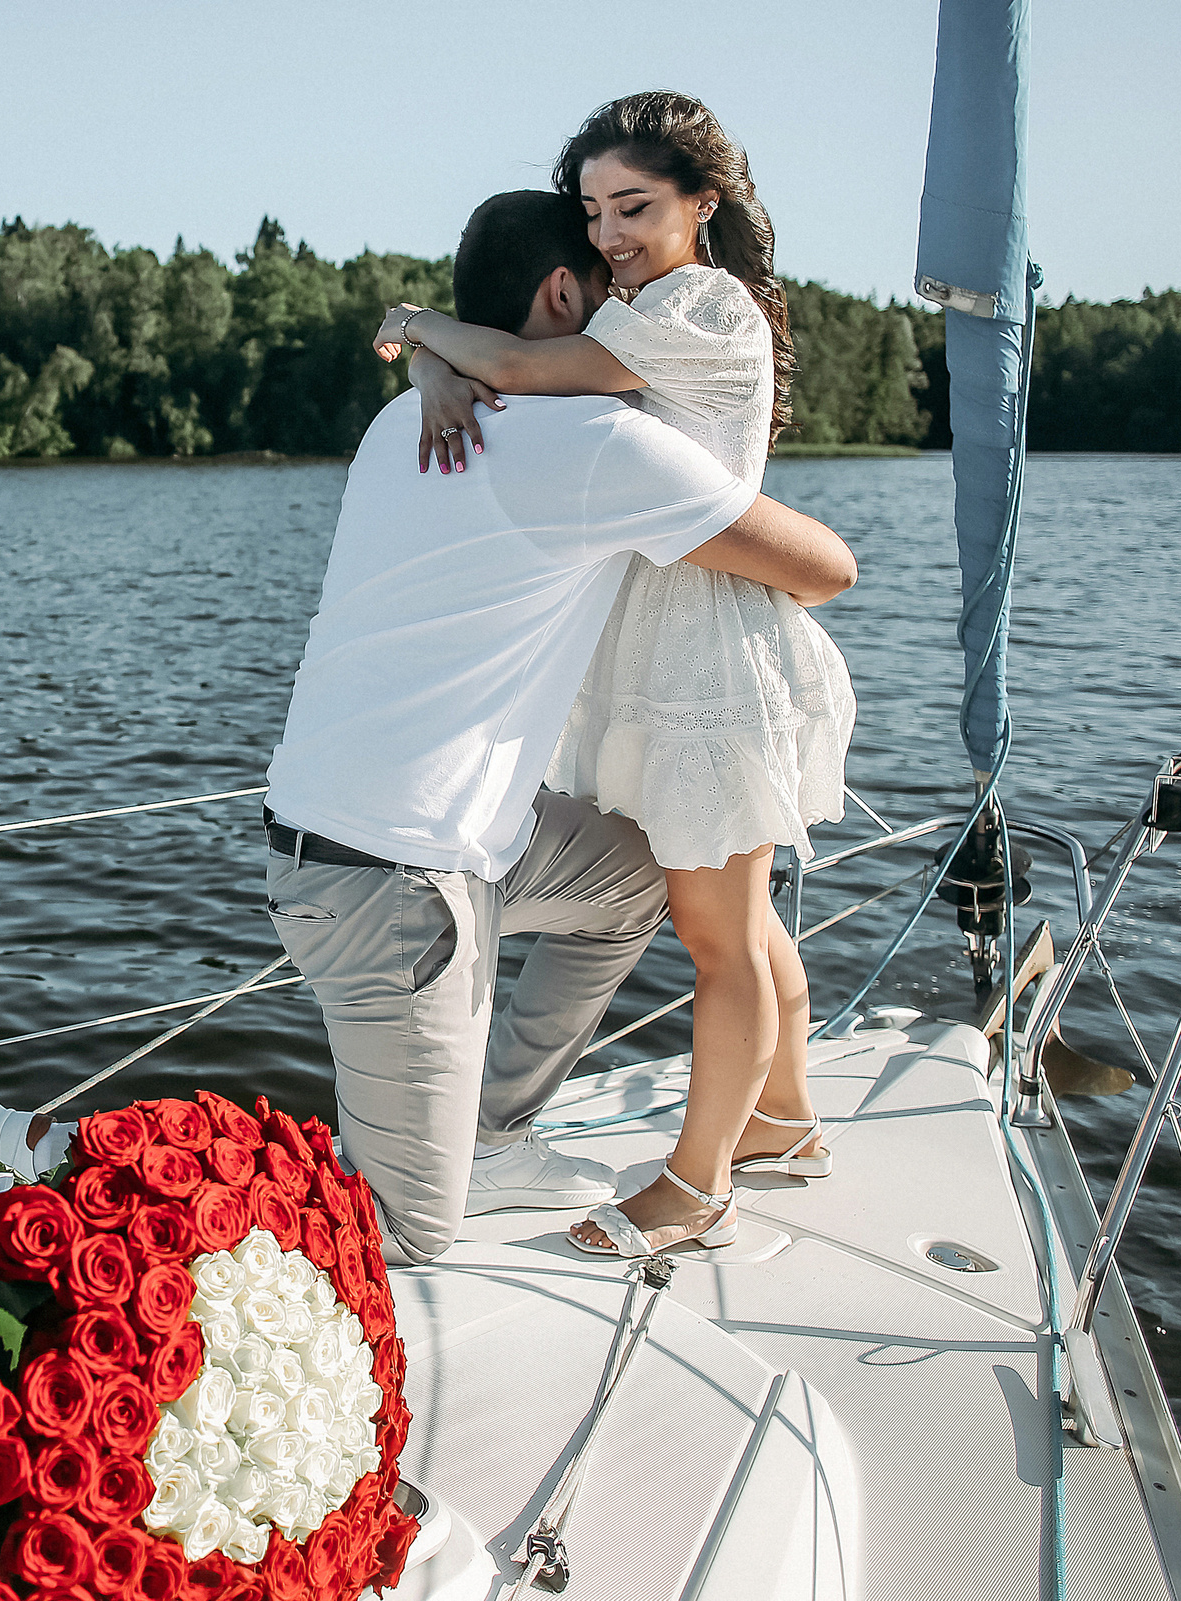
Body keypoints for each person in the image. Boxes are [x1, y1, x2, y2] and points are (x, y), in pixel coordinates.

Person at [268, 188, 854, 1266]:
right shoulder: (591, 442)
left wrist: (427, 358)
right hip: (395, 881)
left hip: (365, 839)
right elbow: (826, 568)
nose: (627, 318)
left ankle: (493, 1134)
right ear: (561, 294)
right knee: (406, 1233)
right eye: (611, 293)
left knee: (638, 875)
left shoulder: (404, 419)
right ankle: (82, 1153)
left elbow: (482, 386)